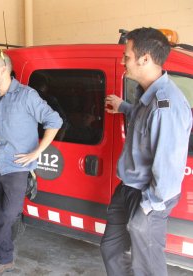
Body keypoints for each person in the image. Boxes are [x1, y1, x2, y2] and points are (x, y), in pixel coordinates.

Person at [101, 27, 192, 276]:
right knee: (110, 248)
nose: (122, 61)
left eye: (126, 56)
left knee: (146, 267)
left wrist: (147, 208)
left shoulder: (166, 105)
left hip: (149, 197)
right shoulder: (148, 96)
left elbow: (169, 171)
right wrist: (125, 107)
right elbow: (146, 124)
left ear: (145, 59)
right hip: (128, 187)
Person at [0, 50, 63, 276]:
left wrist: (37, 152)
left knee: (10, 213)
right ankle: (5, 260)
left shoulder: (27, 96)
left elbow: (55, 121)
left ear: (4, 70)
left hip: (17, 167)